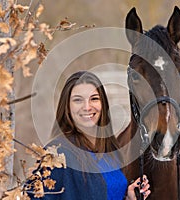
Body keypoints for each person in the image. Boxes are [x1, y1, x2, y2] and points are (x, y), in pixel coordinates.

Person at [25, 71, 151, 200]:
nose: (87, 107)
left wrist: (129, 198)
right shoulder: (57, 154)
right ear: (67, 107)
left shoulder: (110, 152)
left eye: (94, 99)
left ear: (103, 104)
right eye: (78, 100)